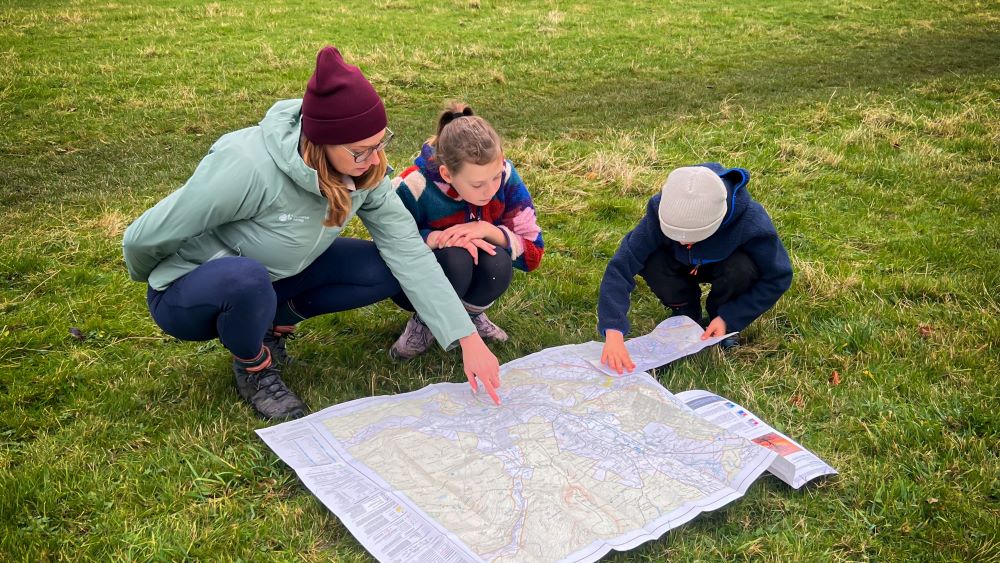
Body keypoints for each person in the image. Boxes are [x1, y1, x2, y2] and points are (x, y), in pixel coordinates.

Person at [122, 47, 501, 420]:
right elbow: (140, 239)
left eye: (380, 143)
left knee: (382, 268)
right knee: (246, 279)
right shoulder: (246, 165)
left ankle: (272, 325)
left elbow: (407, 250)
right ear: (323, 141)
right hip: (191, 293)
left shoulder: (365, 172)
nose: (374, 159)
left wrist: (466, 338)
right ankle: (254, 368)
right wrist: (165, 282)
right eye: (360, 151)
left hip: (272, 281)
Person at [597, 163, 793, 374]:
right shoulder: (659, 211)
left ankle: (721, 320)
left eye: (694, 237)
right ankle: (685, 311)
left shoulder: (750, 221)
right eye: (675, 235)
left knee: (742, 268)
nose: (683, 243)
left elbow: (778, 276)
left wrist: (730, 317)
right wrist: (613, 330)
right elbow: (620, 268)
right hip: (677, 264)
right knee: (652, 260)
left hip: (727, 265)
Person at [388, 103, 544, 359]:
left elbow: (533, 252)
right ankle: (426, 322)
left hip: (472, 271)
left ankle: (470, 315)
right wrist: (435, 239)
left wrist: (485, 229)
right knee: (456, 257)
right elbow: (388, 245)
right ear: (447, 174)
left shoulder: (506, 175)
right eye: (477, 184)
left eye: (495, 177)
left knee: (497, 260)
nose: (490, 190)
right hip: (413, 284)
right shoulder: (412, 186)